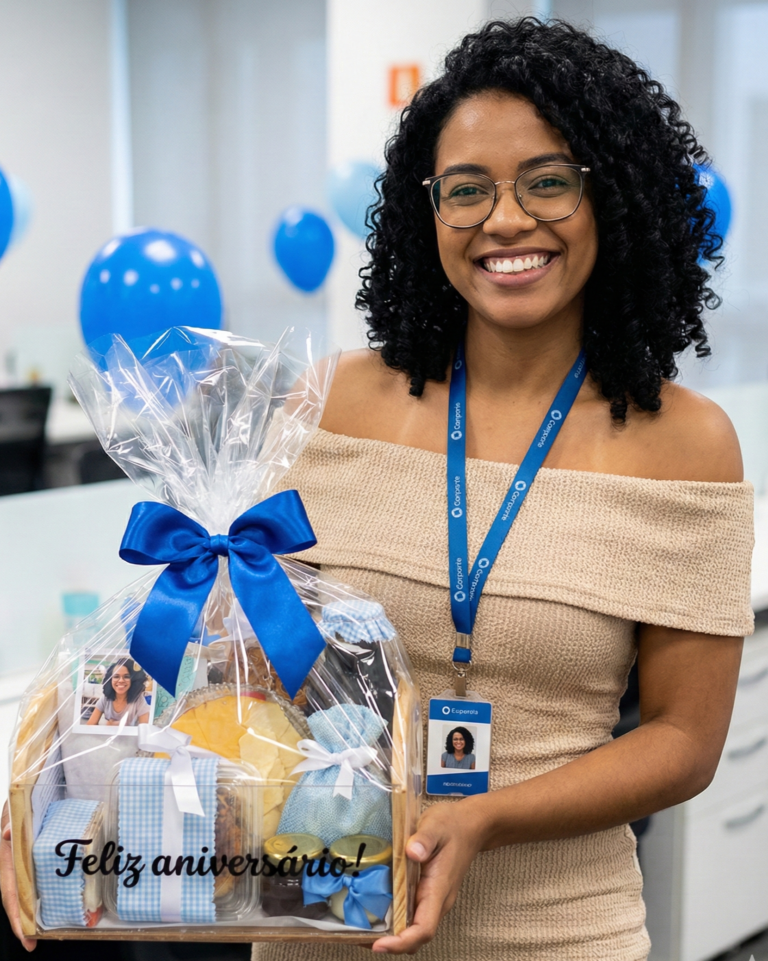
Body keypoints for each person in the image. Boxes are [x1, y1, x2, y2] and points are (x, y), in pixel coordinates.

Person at [250, 17, 753, 961]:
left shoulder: (685, 444)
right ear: (425, 211)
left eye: (548, 181)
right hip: (321, 921)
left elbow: (685, 738)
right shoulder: (332, 403)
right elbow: (243, 664)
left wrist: (487, 817)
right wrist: (93, 782)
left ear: (616, 198)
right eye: (467, 190)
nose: (505, 220)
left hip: (558, 931)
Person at [85, 659, 149, 728]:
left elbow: (145, 730)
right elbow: (90, 725)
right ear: (110, 679)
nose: (121, 680)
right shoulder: (105, 698)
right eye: (116, 676)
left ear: (133, 680)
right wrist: (108, 726)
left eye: (126, 677)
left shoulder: (138, 700)